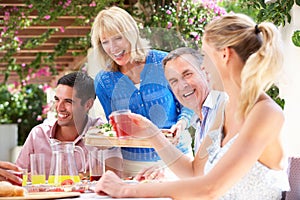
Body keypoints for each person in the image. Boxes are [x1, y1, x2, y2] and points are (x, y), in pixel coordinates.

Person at [94, 13, 290, 199]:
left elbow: (210, 189)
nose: (202, 65)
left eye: (204, 55)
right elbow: (195, 172)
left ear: (224, 55)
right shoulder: (224, 109)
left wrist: (127, 190)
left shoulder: (264, 113)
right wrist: (152, 133)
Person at [91, 6, 194, 179]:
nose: (112, 47)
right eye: (105, 41)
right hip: (134, 166)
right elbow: (116, 126)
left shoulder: (164, 62)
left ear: (132, 34)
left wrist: (182, 123)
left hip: (176, 158)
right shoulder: (103, 81)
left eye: (118, 38)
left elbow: (188, 102)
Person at [16, 72, 123, 178]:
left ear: (88, 104)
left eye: (68, 101)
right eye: (57, 99)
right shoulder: (38, 134)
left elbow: (114, 176)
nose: (59, 107)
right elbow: (17, 176)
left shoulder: (103, 134)